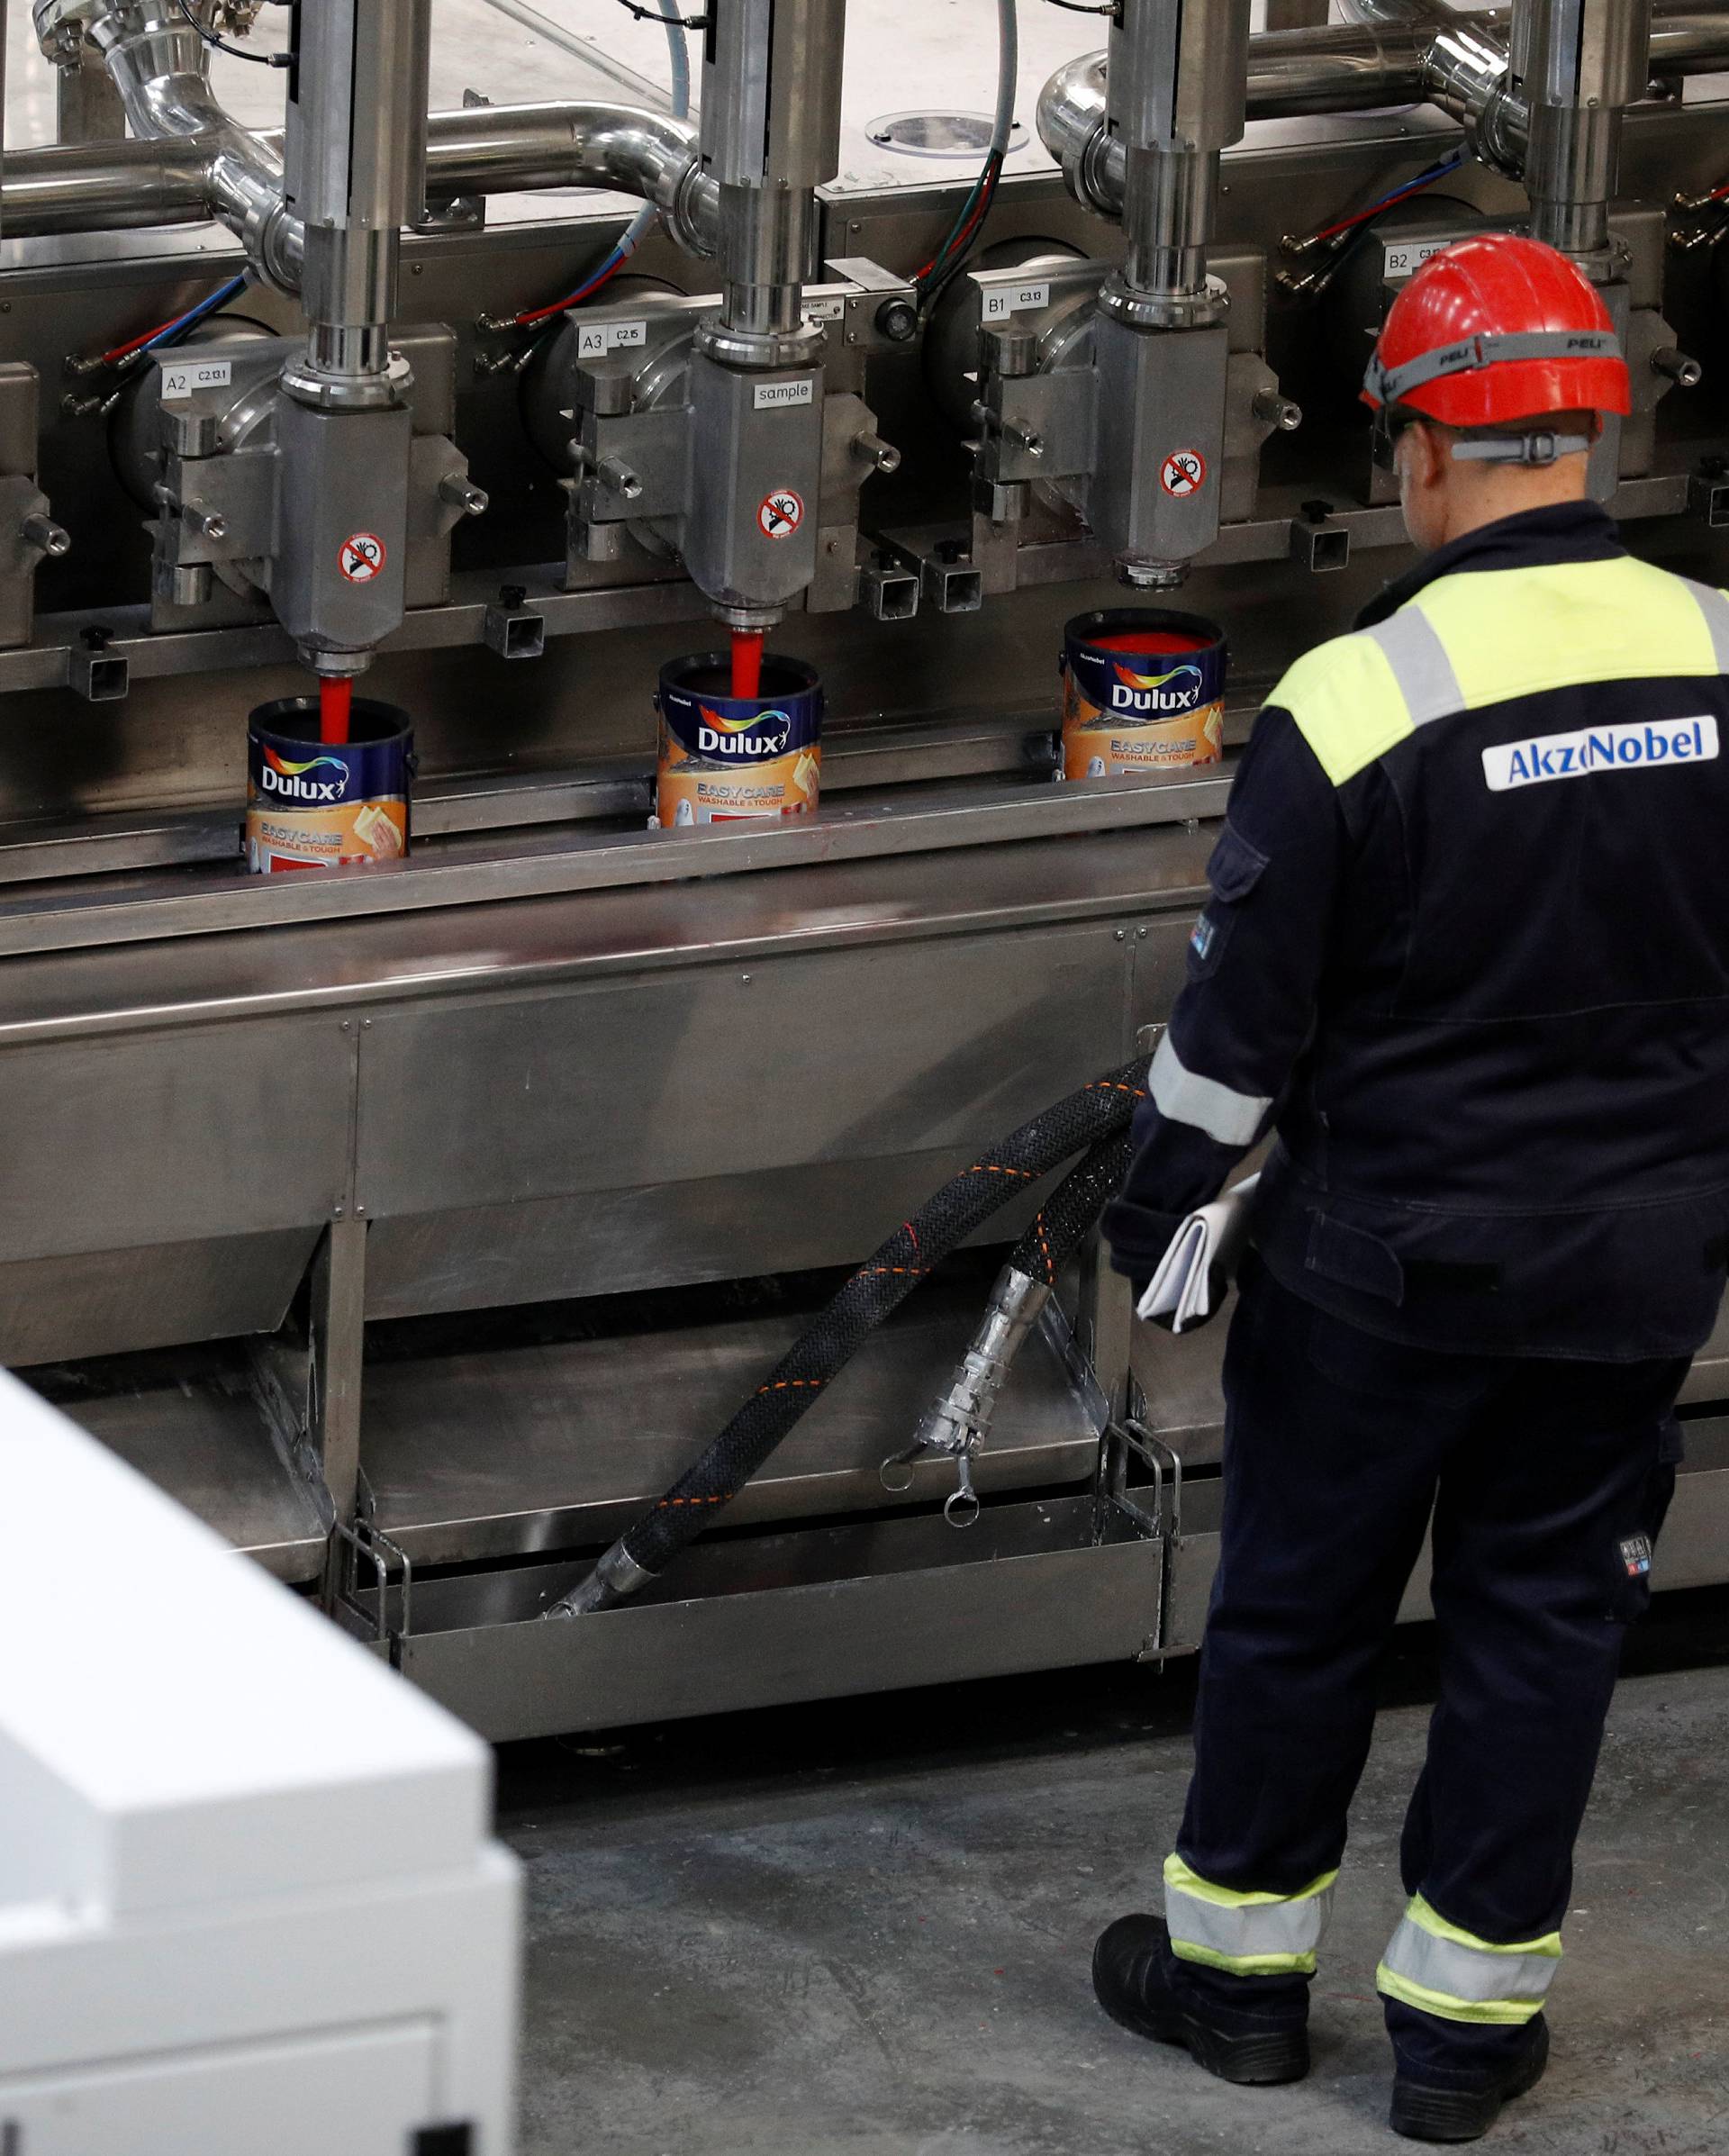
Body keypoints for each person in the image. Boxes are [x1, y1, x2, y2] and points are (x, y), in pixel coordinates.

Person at [1094, 231, 1729, 2144]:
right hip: (1632, 1266)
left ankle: (1238, 1995)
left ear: (1422, 451)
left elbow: (1236, 1035)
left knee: (1300, 1611)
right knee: (1548, 1625)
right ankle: (1461, 2047)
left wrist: (1158, 1217)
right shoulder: (1720, 656)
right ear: (1593, 434)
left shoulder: (1363, 701)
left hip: (1387, 1272)